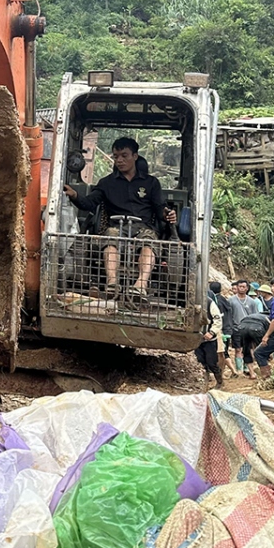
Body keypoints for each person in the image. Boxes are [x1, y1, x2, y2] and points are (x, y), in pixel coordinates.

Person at [62, 137, 177, 300]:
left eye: (124, 155)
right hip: (116, 227)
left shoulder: (151, 183)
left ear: (135, 156)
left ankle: (140, 286)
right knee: (110, 237)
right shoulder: (106, 183)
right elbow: (89, 203)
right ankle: (111, 283)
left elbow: (160, 209)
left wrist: (167, 214)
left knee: (149, 241)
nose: (120, 160)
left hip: (143, 228)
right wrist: (74, 195)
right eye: (116, 156)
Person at [198, 282, 225, 389]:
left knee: (211, 361)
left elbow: (218, 319)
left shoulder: (210, 303)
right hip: (197, 338)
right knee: (200, 361)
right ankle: (204, 383)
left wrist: (212, 332)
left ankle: (220, 381)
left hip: (209, 338)